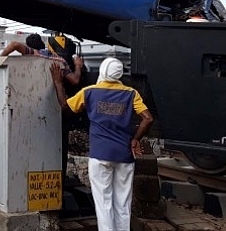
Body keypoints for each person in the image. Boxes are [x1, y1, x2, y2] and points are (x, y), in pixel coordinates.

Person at [51, 57, 154, 231]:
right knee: (123, 204)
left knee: (104, 203)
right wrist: (135, 139)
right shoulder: (131, 93)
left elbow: (65, 107)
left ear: (103, 71)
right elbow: (148, 118)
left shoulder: (90, 92)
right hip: (124, 156)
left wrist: (58, 82)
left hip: (100, 155)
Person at [1, 33, 84, 185]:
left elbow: (13, 45)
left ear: (30, 46)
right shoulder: (59, 61)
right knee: (58, 147)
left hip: (29, 111)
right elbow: (75, 80)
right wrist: (78, 66)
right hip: (56, 111)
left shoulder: (33, 55)